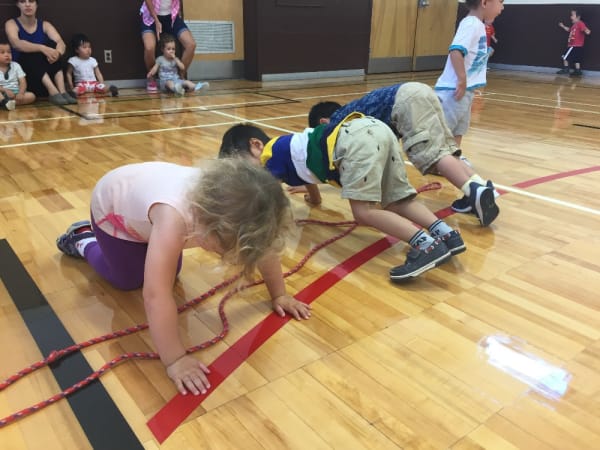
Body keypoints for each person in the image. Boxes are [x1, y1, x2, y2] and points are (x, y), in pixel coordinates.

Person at [56, 158, 311, 395]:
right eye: (224, 249)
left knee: (169, 272)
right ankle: (83, 238)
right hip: (115, 213)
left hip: (147, 208)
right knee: (128, 280)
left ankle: (137, 246)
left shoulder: (225, 203)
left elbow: (263, 248)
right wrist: (175, 359)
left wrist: (280, 294)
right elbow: (155, 297)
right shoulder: (174, 218)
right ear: (210, 226)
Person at [219, 118, 467, 282]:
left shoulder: (269, 157)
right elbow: (310, 176)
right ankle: (446, 234)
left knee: (364, 212)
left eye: (244, 167)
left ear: (256, 145)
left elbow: (269, 200)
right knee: (397, 200)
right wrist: (313, 199)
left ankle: (427, 246)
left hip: (352, 141)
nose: (248, 176)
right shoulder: (289, 149)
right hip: (377, 131)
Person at [308, 81, 500, 225]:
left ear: (323, 122)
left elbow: (346, 161)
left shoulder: (337, 124)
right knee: (444, 149)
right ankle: (478, 186)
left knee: (432, 155)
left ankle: (474, 191)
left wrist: (312, 180)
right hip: (420, 91)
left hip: (405, 101)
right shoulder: (355, 108)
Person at [434, 0, 504, 149]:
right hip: (454, 90)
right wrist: (461, 79)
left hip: (466, 90)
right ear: (484, 2)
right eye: (500, 2)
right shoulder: (471, 24)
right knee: (445, 129)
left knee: (459, 128)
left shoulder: (478, 25)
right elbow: (456, 51)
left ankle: (455, 155)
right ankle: (438, 159)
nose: (502, 7)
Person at [4, 0, 76, 106]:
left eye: (31, 1)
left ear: (36, 5)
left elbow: (61, 43)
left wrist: (57, 53)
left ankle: (62, 91)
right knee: (30, 52)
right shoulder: (11, 23)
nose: (27, 4)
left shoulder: (45, 25)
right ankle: (53, 92)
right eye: (23, 1)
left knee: (53, 46)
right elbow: (16, 43)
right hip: (26, 79)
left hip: (45, 76)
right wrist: (41, 48)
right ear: (18, 5)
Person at [140, 0, 198, 92]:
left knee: (191, 45)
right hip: (151, 16)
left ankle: (180, 77)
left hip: (171, 17)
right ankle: (152, 79)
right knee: (149, 47)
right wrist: (156, 20)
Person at [0, 40, 35, 110]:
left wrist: (21, 93)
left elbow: (23, 82)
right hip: (2, 92)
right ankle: (4, 102)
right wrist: (5, 90)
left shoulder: (16, 65)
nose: (7, 55)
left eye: (9, 52)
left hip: (15, 93)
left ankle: (7, 103)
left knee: (31, 96)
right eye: (2, 52)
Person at [557, 10, 591, 77]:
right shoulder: (574, 26)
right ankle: (578, 71)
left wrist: (587, 31)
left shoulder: (579, 23)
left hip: (574, 45)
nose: (571, 17)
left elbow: (585, 29)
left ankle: (566, 69)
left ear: (578, 17)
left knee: (564, 57)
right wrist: (563, 26)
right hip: (577, 46)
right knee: (576, 58)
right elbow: (569, 30)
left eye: (572, 15)